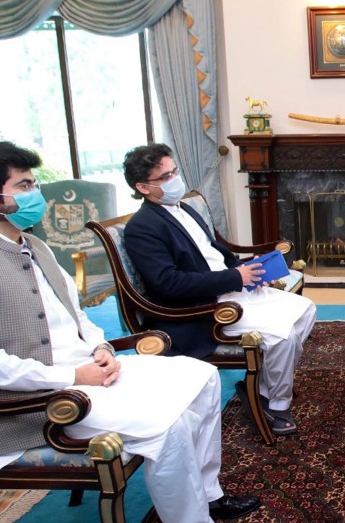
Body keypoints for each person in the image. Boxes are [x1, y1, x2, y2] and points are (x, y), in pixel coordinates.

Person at [0, 142, 259, 523]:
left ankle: (208, 495)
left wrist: (100, 348)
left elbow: (78, 317)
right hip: (37, 399)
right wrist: (73, 376)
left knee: (201, 377)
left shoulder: (34, 245)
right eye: (24, 185)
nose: (35, 193)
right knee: (168, 426)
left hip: (90, 370)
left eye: (34, 182)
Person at [122, 143, 316, 436]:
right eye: (164, 177)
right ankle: (275, 404)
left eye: (174, 171)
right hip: (200, 309)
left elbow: (214, 254)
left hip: (229, 288)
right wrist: (236, 278)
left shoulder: (183, 207)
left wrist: (249, 269)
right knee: (283, 336)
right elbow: (170, 284)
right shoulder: (143, 227)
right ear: (143, 187)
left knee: (306, 309)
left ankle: (262, 388)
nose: (174, 179)